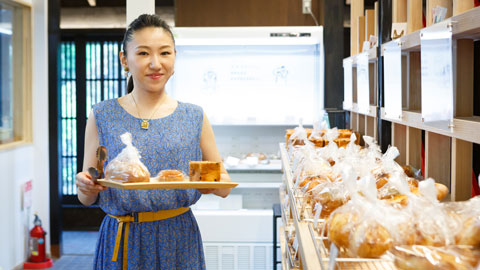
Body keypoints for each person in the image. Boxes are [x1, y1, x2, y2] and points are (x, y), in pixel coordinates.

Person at [75, 14, 231, 270]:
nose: (156, 64)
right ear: (125, 60)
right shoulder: (101, 114)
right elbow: (88, 194)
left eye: (165, 53)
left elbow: (223, 185)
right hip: (121, 237)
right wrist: (85, 187)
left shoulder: (194, 115)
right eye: (144, 53)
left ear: (174, 58)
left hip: (177, 237)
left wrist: (210, 184)